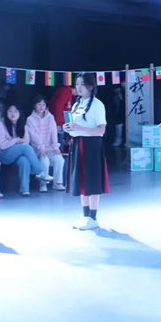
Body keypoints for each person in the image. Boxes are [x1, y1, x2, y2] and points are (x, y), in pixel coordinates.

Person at [64, 73, 109, 231]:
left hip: (92, 145)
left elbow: (101, 130)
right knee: (81, 180)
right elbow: (75, 126)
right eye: (77, 84)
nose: (78, 87)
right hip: (78, 143)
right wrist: (68, 128)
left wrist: (80, 128)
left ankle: (93, 217)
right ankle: (85, 215)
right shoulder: (76, 104)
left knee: (92, 181)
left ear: (90, 86)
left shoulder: (97, 105)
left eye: (82, 84)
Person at [0, 103, 54, 196]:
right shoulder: (1, 125)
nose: (13, 113)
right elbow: (2, 145)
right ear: (6, 113)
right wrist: (16, 140)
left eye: (15, 111)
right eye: (10, 111)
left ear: (19, 113)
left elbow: (26, 141)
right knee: (24, 147)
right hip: (2, 154)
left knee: (24, 160)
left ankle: (24, 189)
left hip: (17, 154)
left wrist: (17, 142)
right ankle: (40, 171)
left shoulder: (24, 126)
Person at [26, 95, 66, 192]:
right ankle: (43, 184)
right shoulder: (30, 119)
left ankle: (58, 183)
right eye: (39, 104)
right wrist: (41, 147)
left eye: (43, 104)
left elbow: (53, 132)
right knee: (45, 161)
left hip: (50, 148)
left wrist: (55, 146)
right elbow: (33, 135)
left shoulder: (50, 117)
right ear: (34, 105)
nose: (41, 107)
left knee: (59, 159)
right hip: (37, 149)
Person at [49, 85, 76, 150]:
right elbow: (57, 107)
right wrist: (57, 123)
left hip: (62, 123)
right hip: (57, 123)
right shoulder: (65, 91)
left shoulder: (69, 93)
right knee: (58, 145)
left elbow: (66, 110)